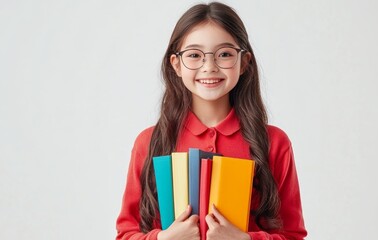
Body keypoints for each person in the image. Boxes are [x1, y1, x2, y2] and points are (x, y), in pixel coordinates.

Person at [116, 2, 307, 240]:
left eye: (224, 54)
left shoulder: (274, 142)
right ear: (176, 64)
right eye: (194, 55)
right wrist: (164, 239)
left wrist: (245, 239)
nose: (209, 67)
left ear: (244, 62)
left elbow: (293, 235)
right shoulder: (149, 142)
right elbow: (125, 233)